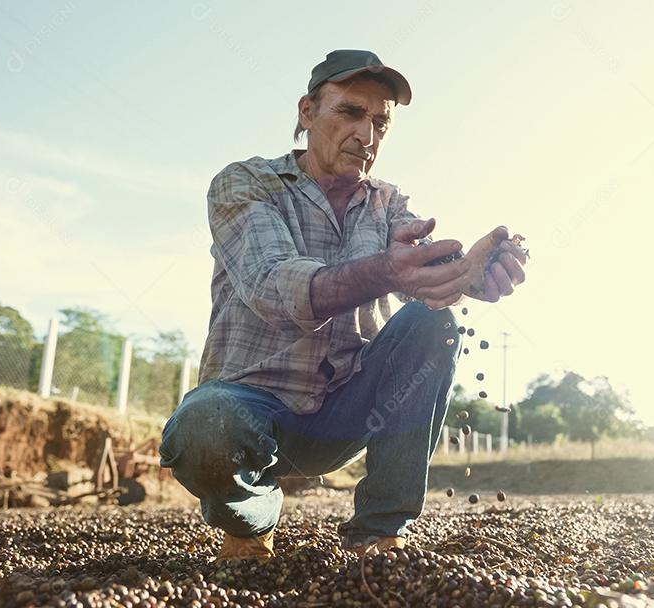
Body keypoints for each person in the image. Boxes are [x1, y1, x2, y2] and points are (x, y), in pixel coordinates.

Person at [159, 49, 527, 561]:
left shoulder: (388, 203)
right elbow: (273, 285)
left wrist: (469, 274)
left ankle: (379, 531)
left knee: (432, 323)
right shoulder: (247, 184)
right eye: (351, 113)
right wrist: (386, 270)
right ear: (307, 112)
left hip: (350, 410)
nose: (367, 135)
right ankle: (250, 525)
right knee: (204, 424)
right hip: (252, 408)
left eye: (381, 122)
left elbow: (422, 272)